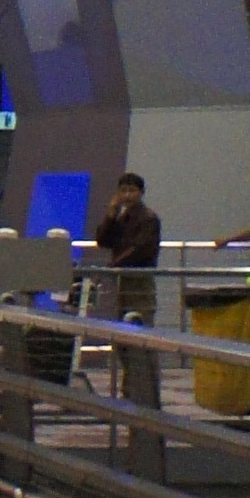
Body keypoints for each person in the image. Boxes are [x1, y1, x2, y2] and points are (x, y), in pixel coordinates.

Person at [93, 169, 164, 414]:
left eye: (132, 190)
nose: (127, 195)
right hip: (122, 283)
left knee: (141, 336)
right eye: (123, 191)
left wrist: (114, 264)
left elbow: (141, 249)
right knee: (123, 339)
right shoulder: (122, 218)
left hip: (139, 282)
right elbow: (102, 239)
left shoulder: (148, 218)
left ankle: (148, 392)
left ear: (141, 193)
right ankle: (131, 388)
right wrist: (111, 212)